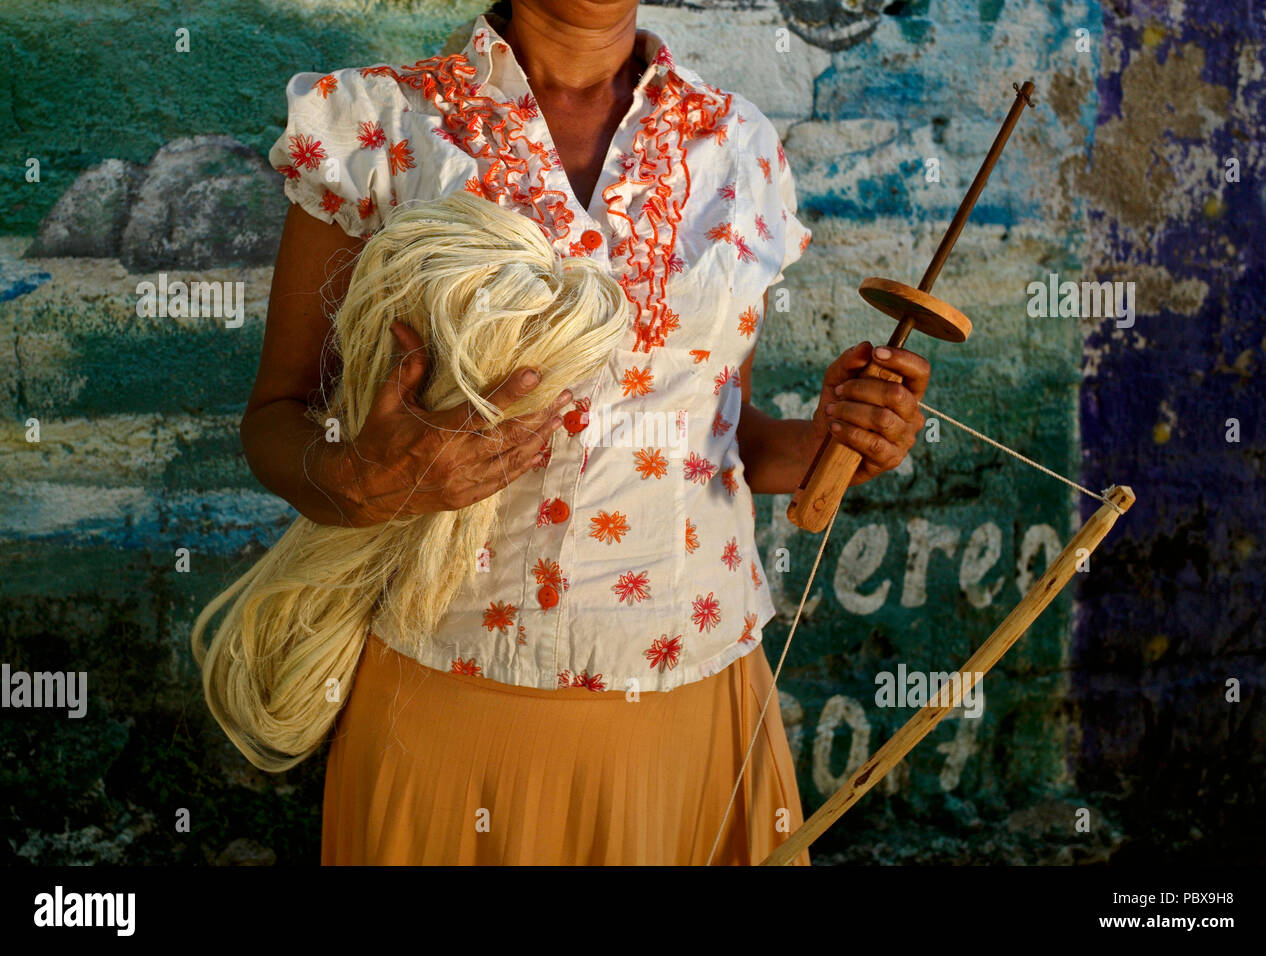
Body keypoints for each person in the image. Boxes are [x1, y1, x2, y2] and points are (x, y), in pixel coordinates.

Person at [250, 0, 931, 865]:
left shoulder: (734, 141)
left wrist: (835, 440)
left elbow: (723, 436)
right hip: (452, 692)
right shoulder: (376, 124)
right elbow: (276, 417)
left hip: (694, 692)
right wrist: (353, 480)